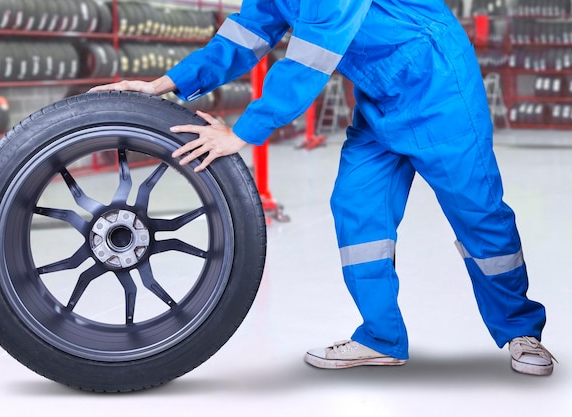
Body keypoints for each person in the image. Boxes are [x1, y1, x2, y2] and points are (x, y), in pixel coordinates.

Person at [90, 0, 556, 376]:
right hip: (380, 101)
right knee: (357, 208)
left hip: (440, 91)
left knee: (478, 214)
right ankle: (381, 338)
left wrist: (243, 132)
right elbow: (244, 36)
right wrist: (164, 84)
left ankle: (521, 329)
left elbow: (312, 54)